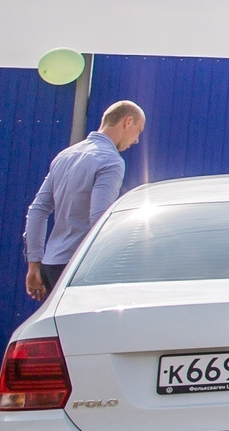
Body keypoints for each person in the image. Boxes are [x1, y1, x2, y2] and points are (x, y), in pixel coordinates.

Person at [24, 100, 145, 299]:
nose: (137, 140)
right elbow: (99, 219)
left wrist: (34, 263)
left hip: (51, 265)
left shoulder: (64, 156)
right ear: (128, 121)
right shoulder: (111, 161)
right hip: (82, 268)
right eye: (138, 130)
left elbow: (37, 210)